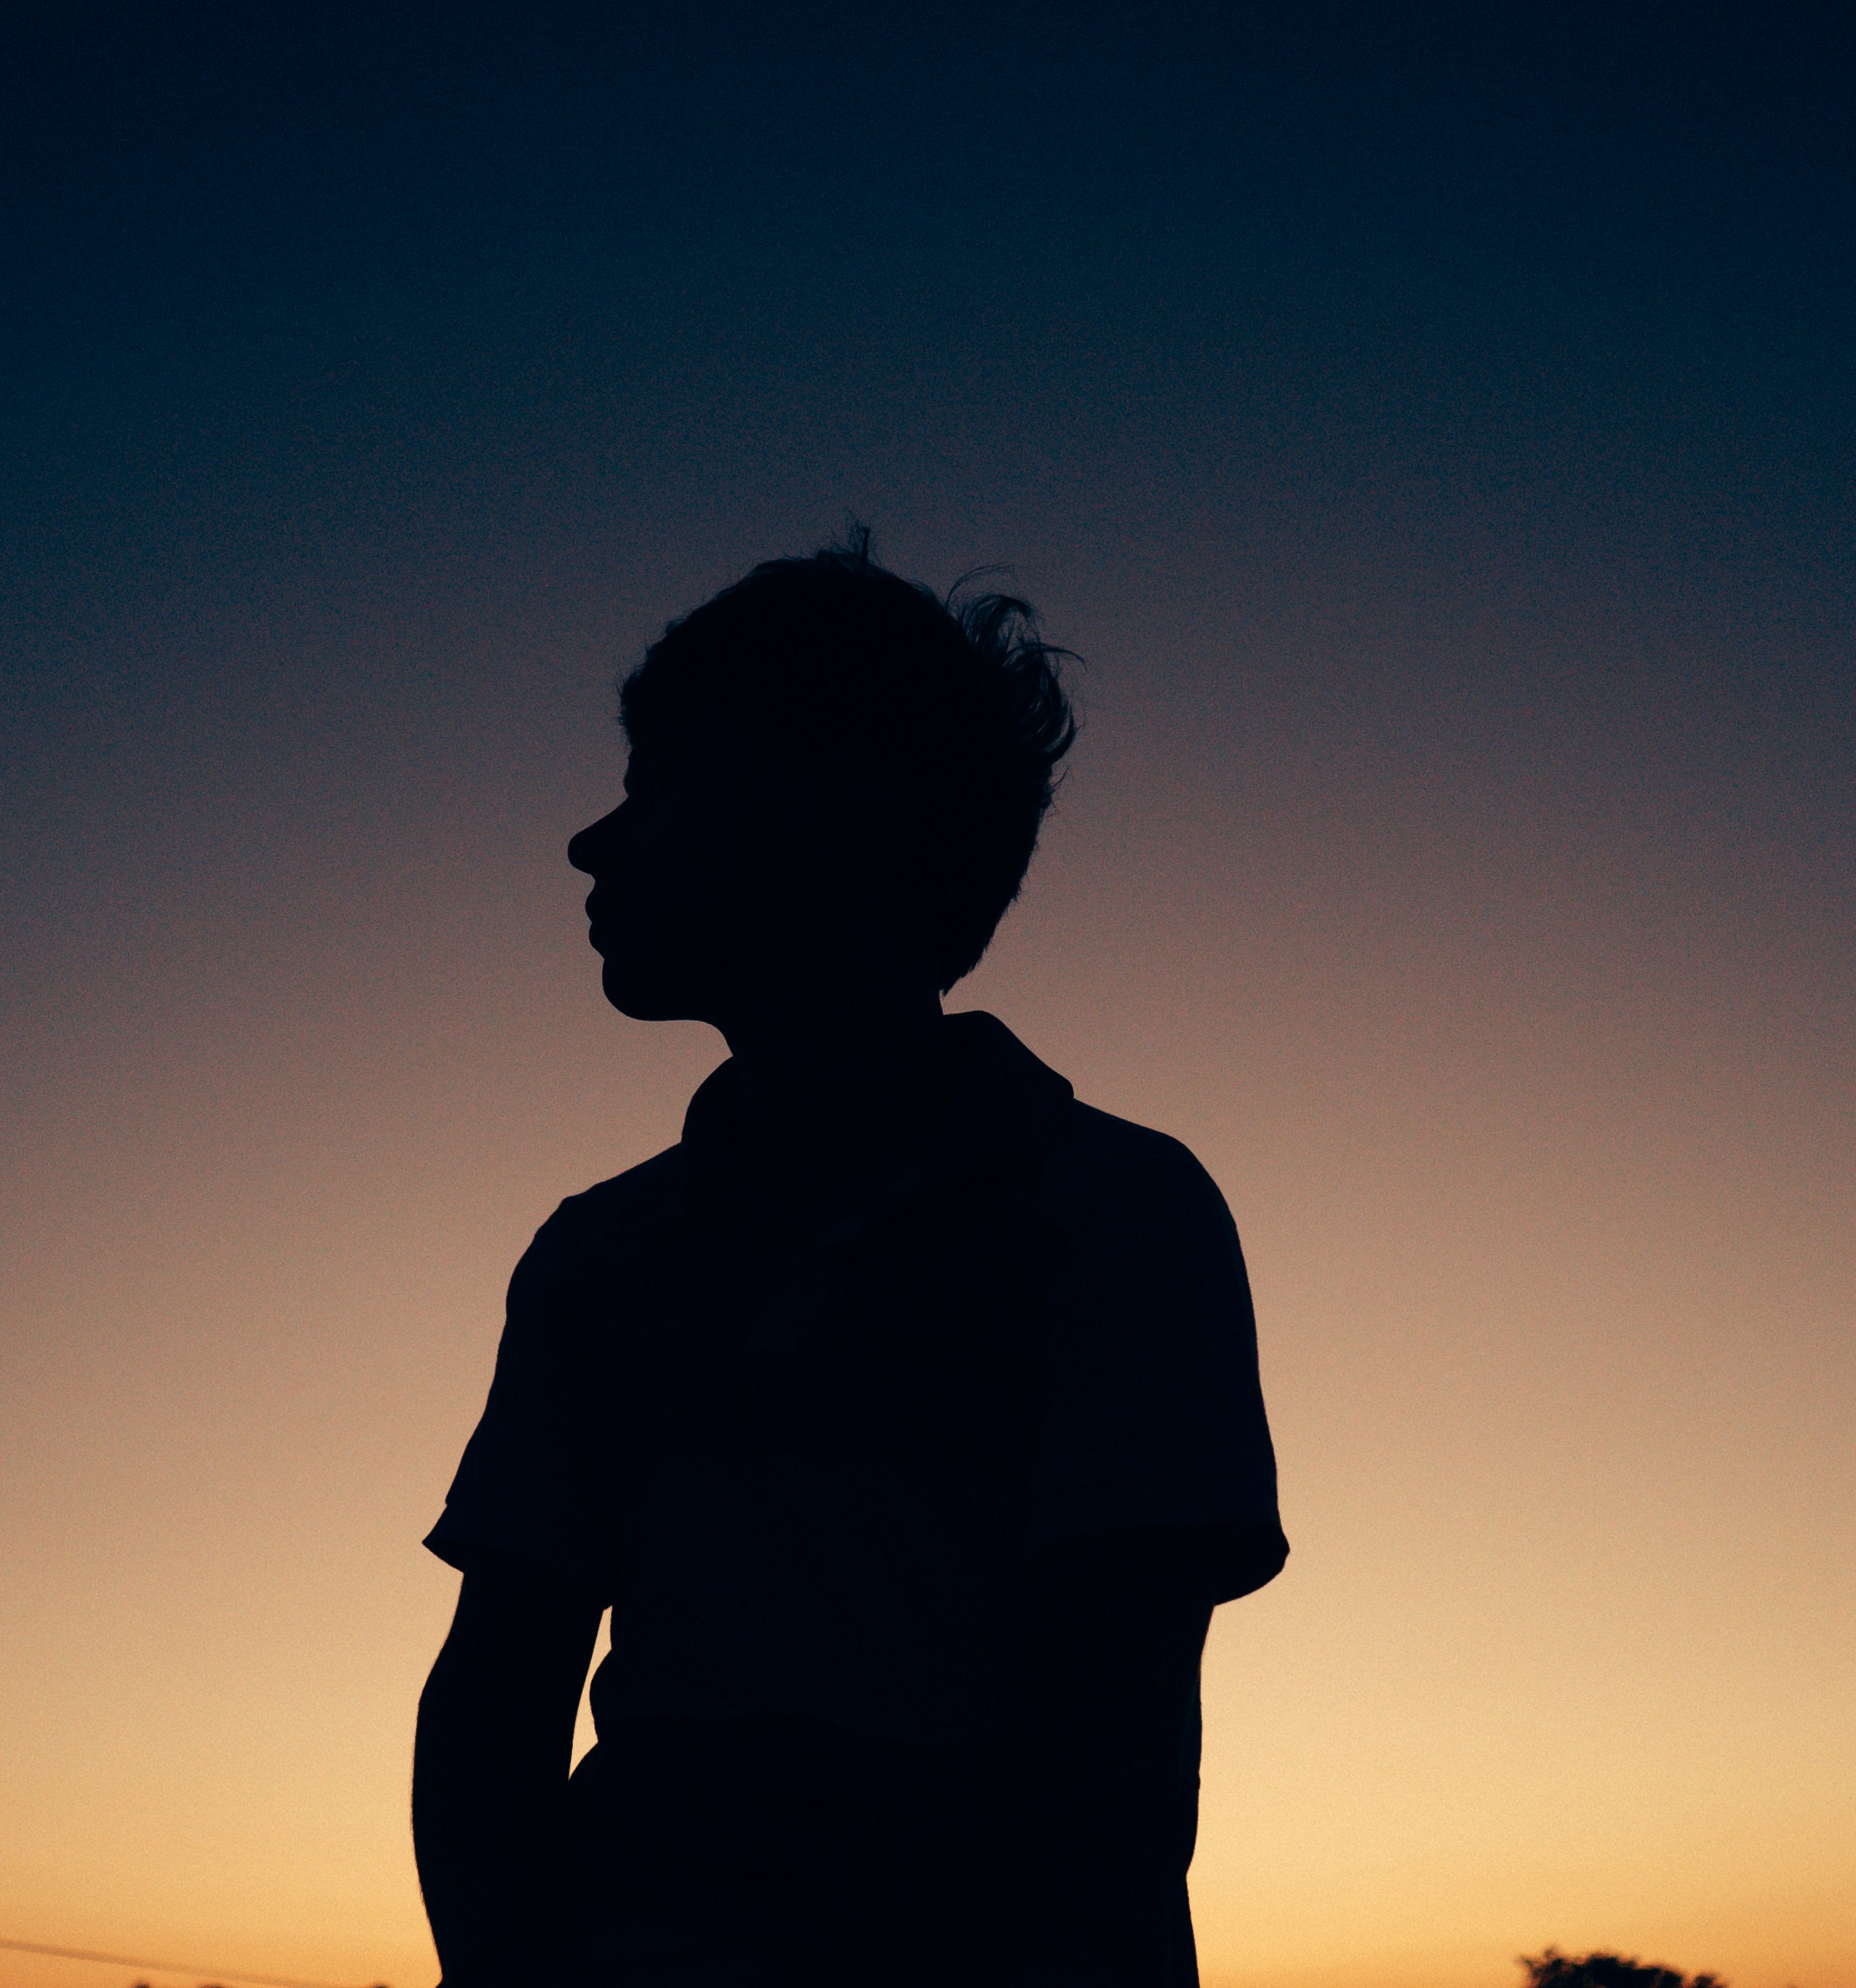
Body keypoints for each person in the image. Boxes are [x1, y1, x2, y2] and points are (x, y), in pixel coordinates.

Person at [413, 530, 1285, 1987]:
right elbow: (498, 1695)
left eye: (658, 787)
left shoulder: (1110, 1218)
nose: (593, 840)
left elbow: (1106, 1753)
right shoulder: (601, 1256)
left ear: (825, 817)